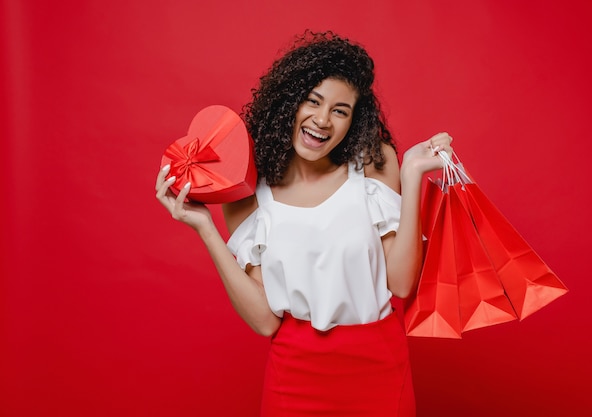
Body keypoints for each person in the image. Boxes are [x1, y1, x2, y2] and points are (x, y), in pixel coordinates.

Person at [155, 30, 453, 417]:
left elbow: (400, 282)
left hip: (379, 369)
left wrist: (412, 175)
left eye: (340, 110)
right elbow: (264, 322)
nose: (322, 120)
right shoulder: (248, 192)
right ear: (288, 102)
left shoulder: (373, 164)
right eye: (312, 102)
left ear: (353, 120)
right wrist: (205, 228)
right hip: (294, 379)